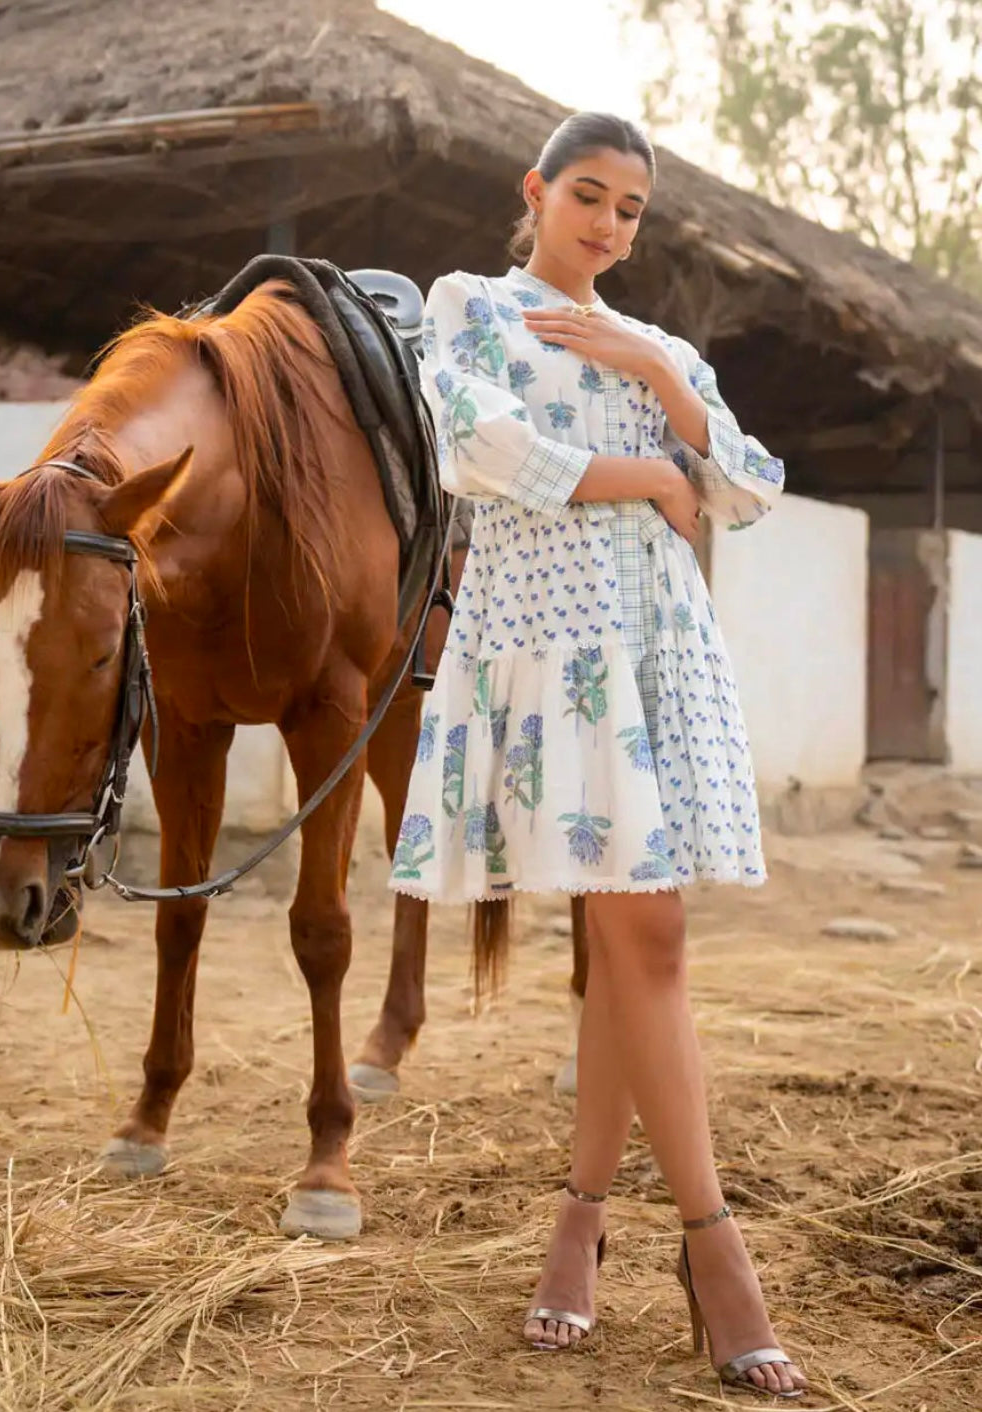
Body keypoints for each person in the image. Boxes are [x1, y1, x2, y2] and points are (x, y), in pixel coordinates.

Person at [388, 112, 807, 1399]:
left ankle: (582, 1220)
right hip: (549, 644)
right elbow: (483, 450)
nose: (609, 225)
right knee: (642, 938)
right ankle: (714, 1248)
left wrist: (661, 376)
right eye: (589, 196)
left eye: (631, 209)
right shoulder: (471, 309)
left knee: (638, 943)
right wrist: (649, 473)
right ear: (537, 190)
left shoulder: (660, 343)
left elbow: (741, 486)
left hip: (659, 651)